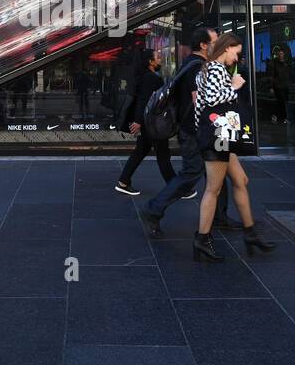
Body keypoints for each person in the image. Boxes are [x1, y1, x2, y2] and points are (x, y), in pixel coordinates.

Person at [191, 32, 276, 262]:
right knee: (213, 189)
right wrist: (235, 86)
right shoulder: (217, 69)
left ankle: (250, 232)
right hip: (217, 135)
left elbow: (200, 104)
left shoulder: (207, 69)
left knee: (241, 181)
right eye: (236, 53)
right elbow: (211, 99)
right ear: (227, 48)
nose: (237, 59)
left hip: (216, 134)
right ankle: (202, 239)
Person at [141, 27, 217, 236]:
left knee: (217, 172)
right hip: (193, 130)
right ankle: (154, 208)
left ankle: (219, 214)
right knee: (192, 172)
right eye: (214, 41)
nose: (218, 45)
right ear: (203, 44)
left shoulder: (190, 63)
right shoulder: (196, 67)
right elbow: (198, 99)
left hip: (195, 129)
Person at [115, 50, 176, 195]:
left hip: (148, 123)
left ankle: (123, 181)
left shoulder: (146, 77)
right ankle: (176, 187)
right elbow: (144, 101)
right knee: (162, 154)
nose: (160, 59)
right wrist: (138, 121)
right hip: (152, 124)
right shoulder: (151, 79)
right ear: (151, 62)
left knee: (142, 151)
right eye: (157, 57)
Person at [269, 46, 291, 124]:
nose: (281, 55)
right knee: (280, 101)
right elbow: (272, 75)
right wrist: (271, 86)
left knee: (283, 102)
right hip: (278, 85)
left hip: (285, 85)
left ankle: (282, 117)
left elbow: (288, 74)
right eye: (280, 54)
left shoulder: (286, 63)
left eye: (282, 53)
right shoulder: (275, 63)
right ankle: (279, 117)